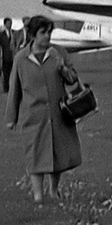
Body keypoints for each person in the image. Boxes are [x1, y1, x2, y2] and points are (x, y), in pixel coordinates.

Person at [5, 15, 83, 204]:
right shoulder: (21, 58)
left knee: (56, 154)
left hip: (58, 114)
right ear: (32, 34)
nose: (47, 36)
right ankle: (38, 195)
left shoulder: (58, 53)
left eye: (49, 32)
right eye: (43, 32)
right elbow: (15, 89)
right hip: (33, 116)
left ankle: (53, 190)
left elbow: (73, 79)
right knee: (35, 155)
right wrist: (11, 117)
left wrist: (62, 68)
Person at [0, 17, 15, 93]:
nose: (10, 25)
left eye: (10, 23)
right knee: (6, 72)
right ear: (5, 24)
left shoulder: (14, 33)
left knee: (14, 72)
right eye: (8, 23)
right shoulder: (1, 34)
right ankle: (6, 88)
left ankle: (13, 87)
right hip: (5, 56)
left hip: (13, 55)